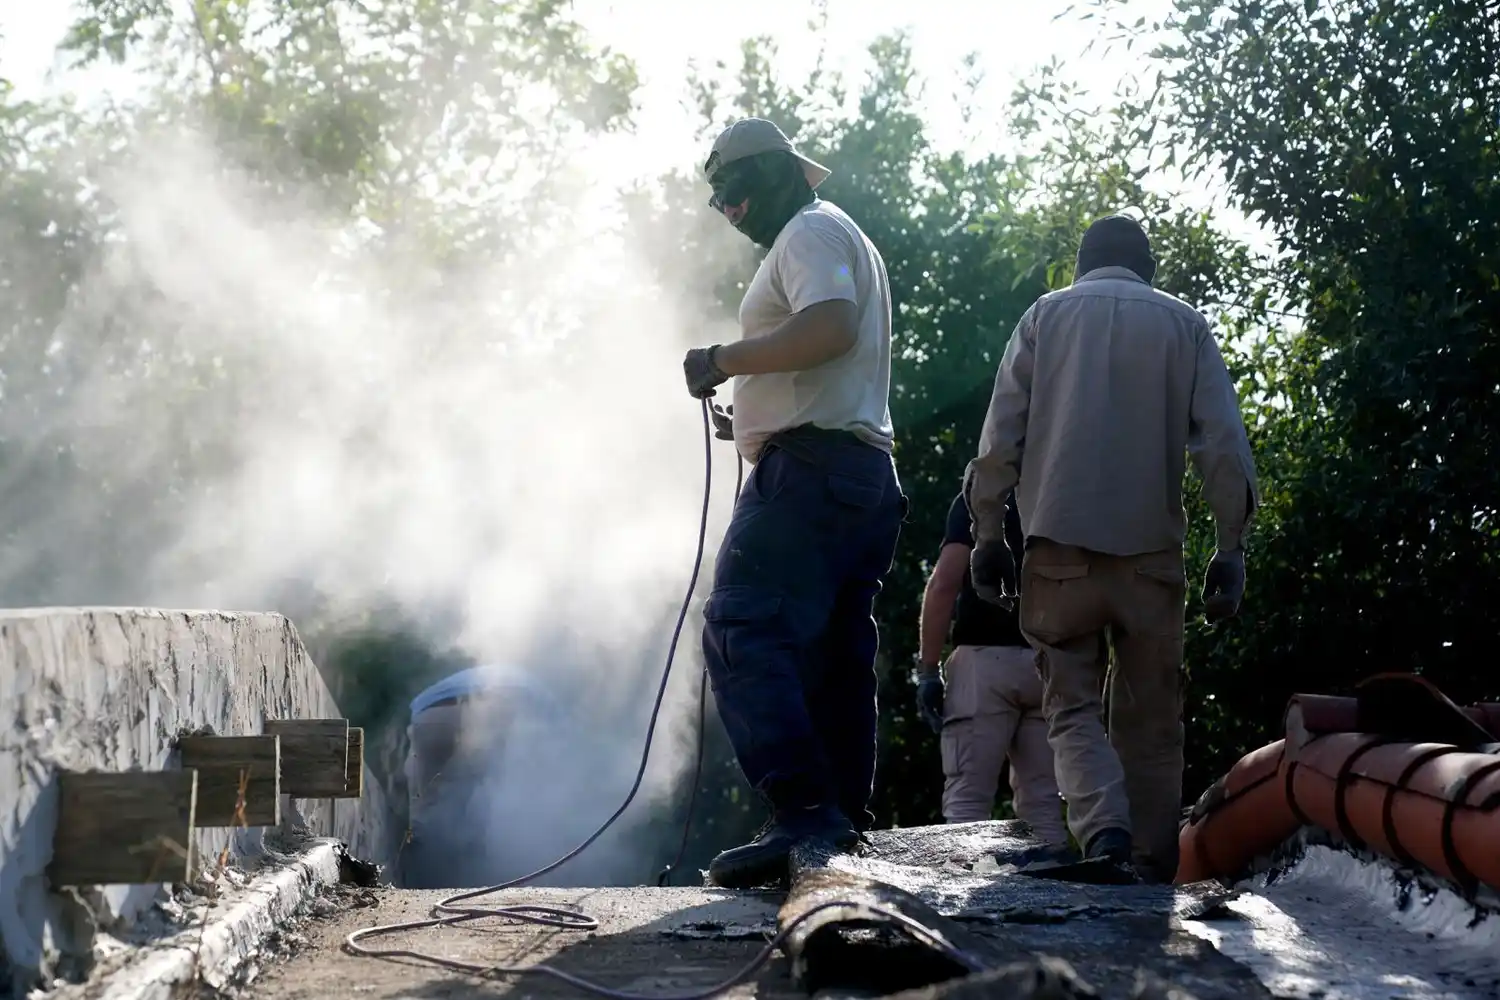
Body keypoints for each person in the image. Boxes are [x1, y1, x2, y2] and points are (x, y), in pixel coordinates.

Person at [963, 214, 1260, 883]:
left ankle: (1105, 835)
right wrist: (1230, 546)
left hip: (1058, 556)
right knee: (1154, 720)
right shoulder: (1184, 324)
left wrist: (988, 534)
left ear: (1081, 267)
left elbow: (999, 438)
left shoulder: (1046, 316)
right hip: (1151, 559)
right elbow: (1223, 446)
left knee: (1068, 703)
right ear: (1146, 270)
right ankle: (1152, 872)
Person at [682, 117, 907, 889]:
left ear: (773, 175)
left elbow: (831, 328)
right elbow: (821, 362)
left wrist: (721, 359)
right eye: (719, 203)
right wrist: (749, 409)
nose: (728, 211)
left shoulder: (808, 234)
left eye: (732, 193)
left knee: (741, 624)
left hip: (810, 473)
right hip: (857, 473)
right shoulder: (835, 236)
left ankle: (806, 814)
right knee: (834, 653)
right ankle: (839, 820)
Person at [915, 489, 1067, 847]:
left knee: (967, 803)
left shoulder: (978, 498)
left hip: (983, 665)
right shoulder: (1059, 496)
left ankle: (958, 899)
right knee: (1042, 806)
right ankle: (1053, 899)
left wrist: (927, 670)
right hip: (1047, 662)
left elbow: (943, 583)